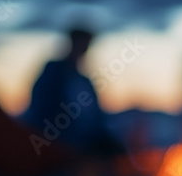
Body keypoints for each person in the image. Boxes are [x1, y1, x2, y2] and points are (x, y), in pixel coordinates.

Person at [24, 27, 122, 157]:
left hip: (87, 140)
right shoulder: (53, 72)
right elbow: (40, 108)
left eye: (86, 45)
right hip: (59, 140)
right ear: (71, 43)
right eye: (81, 44)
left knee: (117, 151)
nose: (83, 49)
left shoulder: (85, 81)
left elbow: (97, 117)